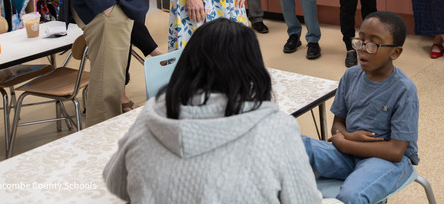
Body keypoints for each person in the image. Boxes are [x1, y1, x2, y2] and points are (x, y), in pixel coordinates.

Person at [103, 18, 321, 203]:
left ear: (187, 64)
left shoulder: (152, 116)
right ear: (251, 67)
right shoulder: (277, 128)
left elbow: (115, 182)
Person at [301, 11, 419, 204]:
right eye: (360, 41)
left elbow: (396, 151)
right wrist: (348, 136)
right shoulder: (350, 76)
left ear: (395, 52)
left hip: (386, 161)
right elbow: (337, 125)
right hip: (348, 154)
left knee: (351, 195)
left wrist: (345, 143)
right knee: (292, 144)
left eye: (373, 44)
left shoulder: (404, 89)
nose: (363, 49)